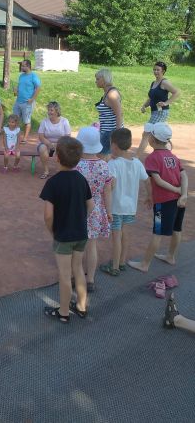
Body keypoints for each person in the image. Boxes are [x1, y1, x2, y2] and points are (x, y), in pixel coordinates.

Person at [40, 136, 94, 323]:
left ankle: (63, 312)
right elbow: (91, 204)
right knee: (78, 269)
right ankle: (81, 306)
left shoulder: (53, 183)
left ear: (57, 158)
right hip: (81, 233)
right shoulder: (81, 179)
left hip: (63, 235)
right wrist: (80, 219)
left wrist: (52, 231)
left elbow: (48, 215)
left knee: (64, 275)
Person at [128, 123, 188, 273]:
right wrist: (183, 193)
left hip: (164, 202)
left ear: (152, 140)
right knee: (176, 228)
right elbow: (184, 175)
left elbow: (158, 180)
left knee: (158, 231)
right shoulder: (173, 156)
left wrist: (175, 190)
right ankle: (170, 256)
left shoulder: (152, 158)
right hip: (179, 200)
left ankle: (144, 264)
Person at [100, 128, 151, 276]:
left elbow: (112, 185)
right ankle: (122, 262)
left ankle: (114, 266)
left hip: (116, 207)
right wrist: (150, 196)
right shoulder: (136, 162)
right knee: (125, 233)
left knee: (116, 236)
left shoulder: (113, 164)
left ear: (114, 145)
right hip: (130, 207)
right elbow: (147, 181)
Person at [75, 127, 112, 291]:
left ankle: (77, 275)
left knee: (77, 246)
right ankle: (90, 280)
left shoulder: (76, 166)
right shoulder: (104, 166)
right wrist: (109, 212)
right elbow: (107, 191)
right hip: (96, 208)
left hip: (78, 210)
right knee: (92, 245)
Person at [136, 62, 180, 159]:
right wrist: (144, 106)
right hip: (154, 112)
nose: (155, 71)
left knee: (146, 133)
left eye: (158, 70)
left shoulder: (164, 82)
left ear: (163, 71)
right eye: (154, 69)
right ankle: (168, 155)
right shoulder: (153, 83)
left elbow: (176, 92)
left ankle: (137, 158)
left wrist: (166, 103)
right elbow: (151, 98)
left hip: (161, 112)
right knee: (159, 135)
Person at [94, 68, 123, 160]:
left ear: (104, 79)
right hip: (107, 131)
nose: (96, 81)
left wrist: (117, 134)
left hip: (110, 132)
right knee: (107, 158)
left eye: (98, 79)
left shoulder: (111, 94)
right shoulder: (108, 93)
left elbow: (119, 114)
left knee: (100, 158)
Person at [37, 101, 71, 179]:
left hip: (60, 143)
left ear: (57, 111)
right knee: (42, 148)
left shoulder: (64, 121)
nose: (49, 112)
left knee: (60, 151)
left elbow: (67, 137)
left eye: (51, 110)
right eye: (48, 110)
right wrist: (49, 144)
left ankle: (59, 172)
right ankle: (46, 171)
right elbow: (41, 136)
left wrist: (57, 144)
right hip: (46, 143)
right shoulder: (44, 121)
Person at [13, 59, 41, 143]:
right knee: (15, 119)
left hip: (27, 103)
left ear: (28, 66)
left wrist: (32, 99)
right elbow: (20, 87)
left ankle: (25, 138)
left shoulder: (33, 76)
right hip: (18, 101)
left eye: (23, 66)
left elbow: (38, 88)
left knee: (26, 121)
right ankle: (15, 137)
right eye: (22, 65)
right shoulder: (21, 76)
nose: (21, 67)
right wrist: (15, 92)